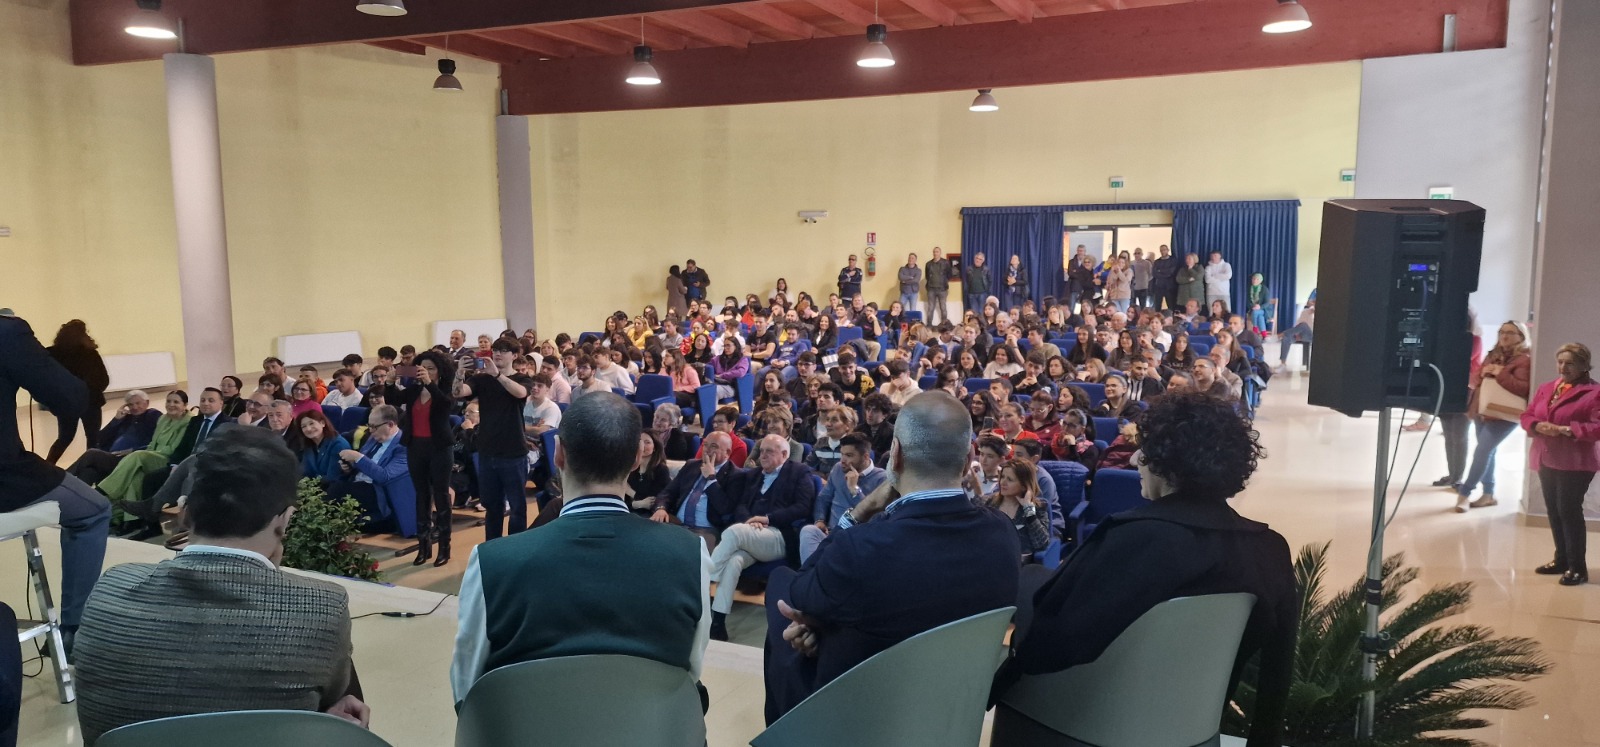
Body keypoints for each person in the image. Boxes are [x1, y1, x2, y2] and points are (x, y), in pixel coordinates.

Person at [994, 390, 1297, 747]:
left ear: (1170, 462)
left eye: (1146, 449)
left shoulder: (1128, 538)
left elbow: (1051, 644)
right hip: (1196, 723)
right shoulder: (1270, 549)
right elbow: (1277, 669)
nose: (1136, 457)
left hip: (1086, 721)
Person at [74, 427, 368, 746]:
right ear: (285, 520)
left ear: (185, 514)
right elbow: (340, 704)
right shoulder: (321, 607)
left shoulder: (110, 590)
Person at [763, 392, 1021, 722]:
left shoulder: (862, 546)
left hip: (855, 712)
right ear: (969, 455)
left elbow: (803, 593)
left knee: (782, 582)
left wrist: (858, 512)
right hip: (950, 709)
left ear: (895, 454)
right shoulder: (1003, 533)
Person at [450, 392, 712, 705]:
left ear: (558, 453)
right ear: (635, 458)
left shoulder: (491, 562)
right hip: (651, 721)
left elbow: (467, 688)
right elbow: (689, 671)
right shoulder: (691, 554)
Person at [0, 315, 112, 648]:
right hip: (5, 478)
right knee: (94, 511)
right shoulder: (8, 331)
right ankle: (75, 633)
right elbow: (70, 397)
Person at [707, 435, 816, 641]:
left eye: (769, 451)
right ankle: (718, 623)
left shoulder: (799, 472)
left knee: (734, 532)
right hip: (751, 532)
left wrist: (767, 519)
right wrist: (750, 521)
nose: (762, 455)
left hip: (779, 536)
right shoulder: (754, 474)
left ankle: (704, 580)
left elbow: (803, 507)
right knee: (734, 561)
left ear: (784, 454)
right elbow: (740, 504)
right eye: (762, 450)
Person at [1523, 343, 1600, 586]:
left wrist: (1568, 430)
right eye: (1560, 362)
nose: (1563, 367)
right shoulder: (1547, 388)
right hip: (1546, 457)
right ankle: (1562, 560)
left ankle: (1578, 568)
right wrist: (1537, 425)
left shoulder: (1595, 392)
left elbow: (1597, 427)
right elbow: (1527, 415)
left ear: (1584, 365)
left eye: (1570, 363)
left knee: (1568, 511)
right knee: (1554, 511)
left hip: (1575, 462)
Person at [384, 350, 456, 567]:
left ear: (440, 372)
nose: (425, 371)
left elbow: (445, 404)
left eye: (431, 369)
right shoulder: (414, 389)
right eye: (422, 368)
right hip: (416, 446)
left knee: (441, 496)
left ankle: (444, 547)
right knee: (421, 495)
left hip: (439, 448)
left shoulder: (445, 389)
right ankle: (423, 545)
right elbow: (394, 400)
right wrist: (389, 383)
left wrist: (429, 384)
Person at [1453, 321, 1530, 512]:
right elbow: (1475, 381)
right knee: (1488, 451)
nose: (1504, 336)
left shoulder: (1524, 359)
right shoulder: (1492, 354)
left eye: (1510, 333)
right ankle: (1488, 493)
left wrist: (1500, 373)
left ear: (1521, 336)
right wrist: (1483, 372)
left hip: (1504, 414)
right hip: (1482, 409)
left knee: (1482, 451)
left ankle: (1464, 493)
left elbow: (1523, 388)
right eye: (1502, 332)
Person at [799, 433, 887, 563]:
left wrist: (854, 490)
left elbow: (876, 517)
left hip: (859, 538)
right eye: (842, 454)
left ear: (865, 457)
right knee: (808, 531)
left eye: (849, 455)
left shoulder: (882, 479)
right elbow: (823, 498)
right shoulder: (838, 469)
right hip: (831, 533)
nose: (843, 460)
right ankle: (809, 573)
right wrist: (820, 520)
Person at [332, 405, 414, 536]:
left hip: (379, 492)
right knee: (326, 485)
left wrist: (358, 457)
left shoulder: (404, 446)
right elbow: (361, 465)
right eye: (369, 426)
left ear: (390, 424)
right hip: (360, 485)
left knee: (338, 490)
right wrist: (349, 467)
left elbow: (385, 477)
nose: (370, 431)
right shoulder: (373, 438)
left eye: (374, 427)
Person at [652, 431, 741, 551]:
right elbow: (668, 492)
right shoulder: (691, 465)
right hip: (677, 523)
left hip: (707, 530)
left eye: (713, 446)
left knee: (684, 552)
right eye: (705, 445)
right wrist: (661, 508)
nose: (707, 450)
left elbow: (726, 508)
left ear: (728, 453)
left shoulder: (735, 475)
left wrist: (711, 479)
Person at [43, 320, 110, 465]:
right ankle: (90, 468)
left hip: (66, 403)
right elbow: (103, 380)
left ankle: (47, 466)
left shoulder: (52, 354)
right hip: (91, 402)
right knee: (93, 438)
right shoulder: (90, 354)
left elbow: (46, 379)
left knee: (65, 438)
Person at [987, 459, 1051, 561]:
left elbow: (1042, 544)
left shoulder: (1038, 508)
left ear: (1024, 486)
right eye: (1002, 477)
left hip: (1020, 563)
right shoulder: (989, 503)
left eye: (1010, 479)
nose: (1003, 482)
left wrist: (1028, 510)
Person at [291, 409, 350, 482]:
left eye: (311, 423)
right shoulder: (309, 445)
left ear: (323, 423)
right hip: (312, 485)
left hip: (332, 486)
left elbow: (332, 477)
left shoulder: (338, 444)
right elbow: (304, 472)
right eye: (303, 426)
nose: (308, 429)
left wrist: (311, 480)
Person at [627, 432, 672, 515]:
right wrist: (637, 504)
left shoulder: (661, 470)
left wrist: (630, 492)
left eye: (647, 442)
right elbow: (623, 500)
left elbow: (652, 501)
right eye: (639, 441)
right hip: (629, 512)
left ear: (655, 447)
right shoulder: (631, 468)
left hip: (650, 515)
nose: (642, 445)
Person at [1276, 299, 1315, 370]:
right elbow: (1299, 323)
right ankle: (1283, 363)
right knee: (1286, 338)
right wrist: (1296, 333)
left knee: (1303, 325)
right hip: (1299, 333)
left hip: (1311, 335)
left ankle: (1281, 335)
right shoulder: (1305, 312)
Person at [924, 247, 953, 326]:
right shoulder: (928, 264)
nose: (935, 253)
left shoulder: (946, 263)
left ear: (940, 253)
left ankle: (944, 325)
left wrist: (945, 281)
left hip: (942, 289)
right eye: (934, 252)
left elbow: (949, 275)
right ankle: (929, 325)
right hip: (931, 289)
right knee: (930, 308)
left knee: (943, 308)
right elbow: (927, 276)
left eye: (937, 252)